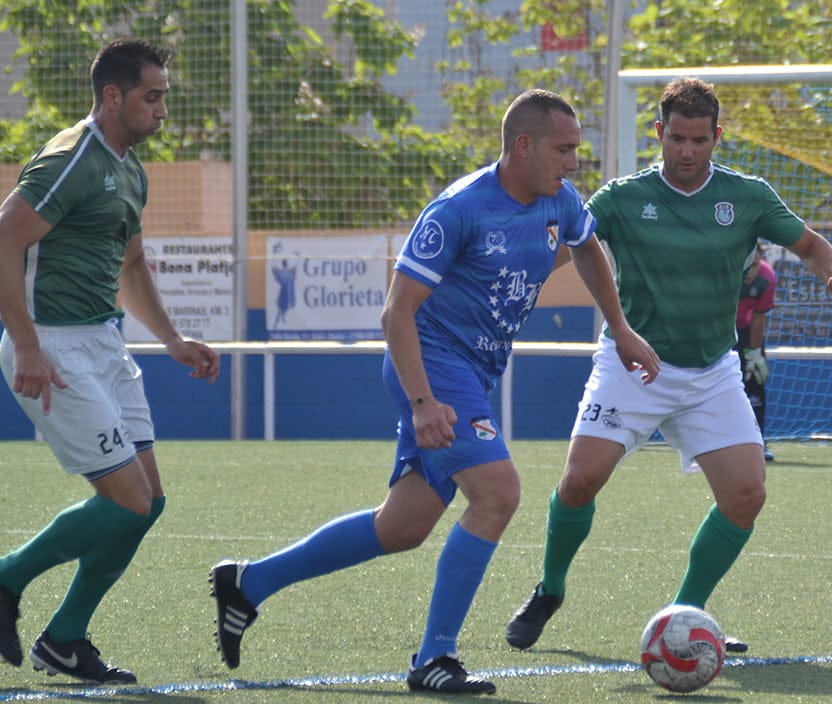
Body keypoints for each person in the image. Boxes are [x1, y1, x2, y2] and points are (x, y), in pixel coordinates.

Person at [209, 89, 658, 696]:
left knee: (404, 526)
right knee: (498, 495)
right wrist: (423, 403)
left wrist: (622, 328)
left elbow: (585, 249)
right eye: (565, 148)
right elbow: (396, 313)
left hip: (473, 375)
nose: (574, 162)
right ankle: (434, 658)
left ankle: (249, 584)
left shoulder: (561, 200)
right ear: (523, 145)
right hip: (430, 366)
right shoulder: (458, 209)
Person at [505, 77, 832, 654]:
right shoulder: (622, 197)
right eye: (677, 138)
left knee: (747, 495)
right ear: (660, 133)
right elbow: (560, 250)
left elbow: (810, 244)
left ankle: (687, 615)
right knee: (578, 482)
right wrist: (504, 279)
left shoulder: (747, 196)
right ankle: (549, 590)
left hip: (711, 371)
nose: (687, 151)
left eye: (700, 140)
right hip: (634, 364)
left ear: (716, 137)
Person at [0, 38, 220, 684]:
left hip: (104, 342)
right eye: (152, 97)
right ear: (113, 96)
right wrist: (29, 345)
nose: (162, 110)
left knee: (148, 504)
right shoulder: (72, 158)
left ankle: (64, 639)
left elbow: (130, 266)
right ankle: (6, 580)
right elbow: (4, 240)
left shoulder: (131, 169)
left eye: (164, 98)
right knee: (126, 500)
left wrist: (173, 339)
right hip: (53, 344)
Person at [734, 244, 776, 462]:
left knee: (755, 382)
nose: (751, 272)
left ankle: (758, 441)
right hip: (718, 330)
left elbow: (759, 319)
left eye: (756, 265)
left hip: (747, 331)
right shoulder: (726, 273)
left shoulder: (767, 278)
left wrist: (753, 353)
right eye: (747, 267)